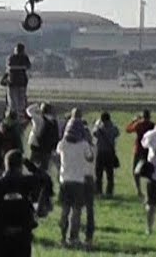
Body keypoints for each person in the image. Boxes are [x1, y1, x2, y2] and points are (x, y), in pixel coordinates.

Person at [0, 150, 42, 257]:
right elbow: (45, 178)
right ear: (21, 165)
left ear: (5, 164)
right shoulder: (29, 182)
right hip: (22, 236)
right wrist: (29, 164)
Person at [57, 119, 94, 248]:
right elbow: (90, 158)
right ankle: (73, 237)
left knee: (65, 210)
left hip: (64, 180)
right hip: (78, 181)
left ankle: (62, 236)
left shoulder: (62, 144)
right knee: (76, 211)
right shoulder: (84, 144)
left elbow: (58, 155)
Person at [25, 102, 60, 178]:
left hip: (35, 145)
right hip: (47, 148)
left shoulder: (38, 119)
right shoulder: (54, 121)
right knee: (44, 168)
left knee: (31, 165)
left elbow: (29, 110)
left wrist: (37, 105)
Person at [126, 109, 155, 197]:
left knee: (136, 171)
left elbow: (128, 129)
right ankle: (151, 190)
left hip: (138, 150)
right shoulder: (152, 125)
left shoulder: (139, 124)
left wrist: (134, 120)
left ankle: (139, 190)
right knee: (150, 171)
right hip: (148, 150)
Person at [92, 111, 118, 197]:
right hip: (110, 153)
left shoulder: (99, 129)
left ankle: (99, 191)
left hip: (100, 152)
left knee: (98, 174)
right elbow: (117, 133)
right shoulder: (113, 128)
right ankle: (109, 192)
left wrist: (96, 124)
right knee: (110, 174)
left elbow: (94, 133)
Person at [4, 44, 30, 116]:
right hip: (21, 83)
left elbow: (8, 68)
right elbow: (28, 66)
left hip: (13, 83)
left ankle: (13, 114)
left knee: (13, 101)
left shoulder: (11, 58)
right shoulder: (24, 58)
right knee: (20, 101)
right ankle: (20, 114)